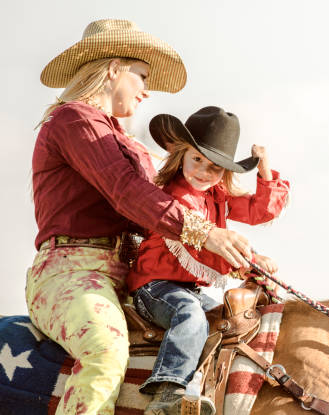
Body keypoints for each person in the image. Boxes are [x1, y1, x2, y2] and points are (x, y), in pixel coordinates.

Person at [27, 19, 256, 415]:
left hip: (128, 279)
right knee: (105, 352)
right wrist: (206, 234)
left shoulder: (124, 141)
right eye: (142, 76)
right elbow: (127, 192)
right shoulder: (75, 121)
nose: (147, 89)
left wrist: (239, 255)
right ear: (114, 68)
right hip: (71, 273)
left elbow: (160, 204)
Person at [126, 106, 290, 414]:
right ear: (181, 155)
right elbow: (200, 248)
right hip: (156, 286)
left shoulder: (217, 195)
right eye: (197, 159)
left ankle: (202, 387)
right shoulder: (176, 197)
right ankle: (167, 390)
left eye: (214, 167)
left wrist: (264, 171)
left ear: (224, 173)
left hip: (189, 289)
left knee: (223, 323)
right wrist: (249, 261)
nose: (203, 171)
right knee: (190, 316)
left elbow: (258, 210)